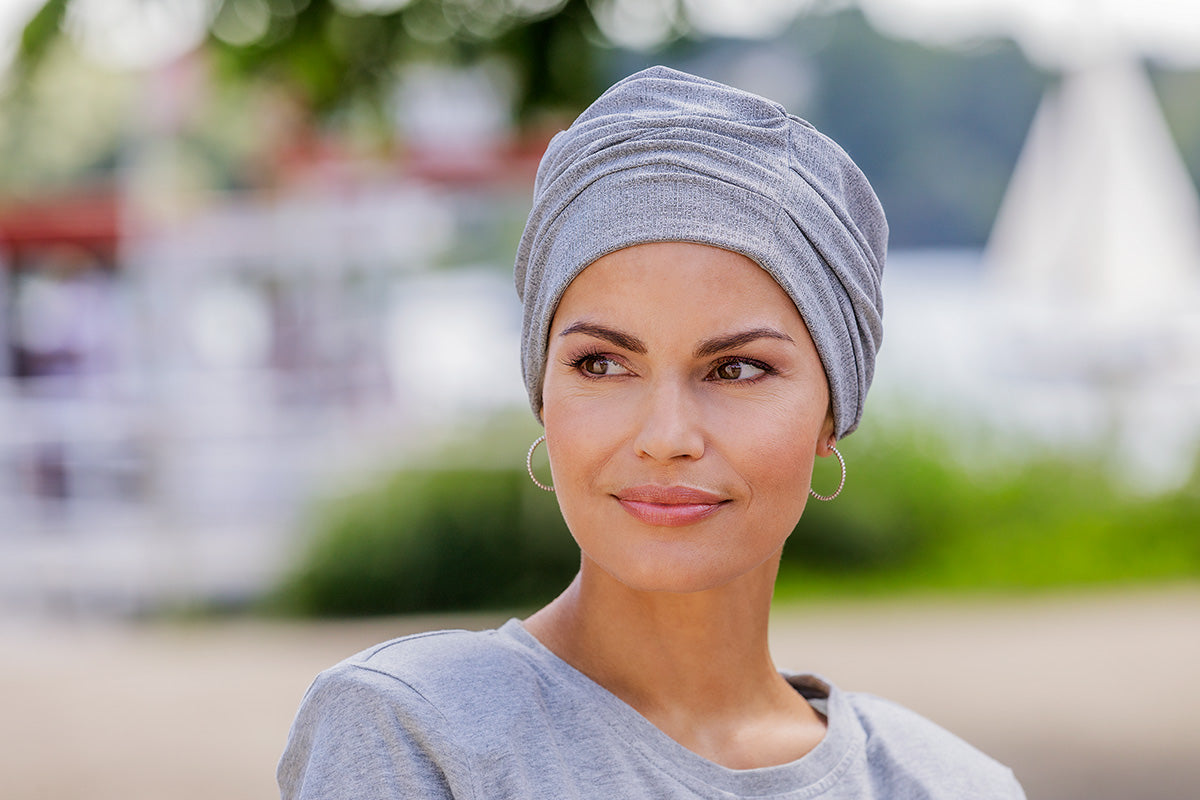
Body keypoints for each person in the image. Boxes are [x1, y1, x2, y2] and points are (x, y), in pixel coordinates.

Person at [278, 66, 1025, 799]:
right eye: (602, 363)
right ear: (544, 393)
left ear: (834, 415)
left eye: (735, 369)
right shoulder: (412, 731)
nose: (666, 436)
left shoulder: (950, 784)